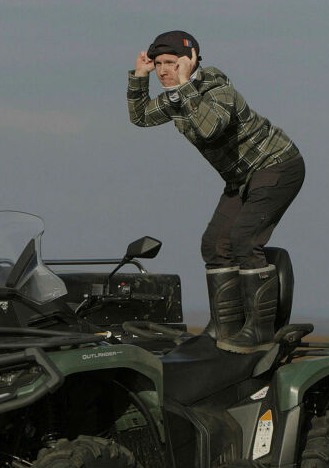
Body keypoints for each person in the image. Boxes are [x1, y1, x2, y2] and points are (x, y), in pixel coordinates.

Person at [127, 30, 304, 353]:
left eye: (171, 62)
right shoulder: (175, 96)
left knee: (244, 239)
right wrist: (139, 79)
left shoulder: (218, 88)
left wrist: (184, 87)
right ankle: (225, 326)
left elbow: (210, 126)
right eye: (158, 64)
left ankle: (259, 330)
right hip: (242, 177)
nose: (164, 70)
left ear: (191, 60)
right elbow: (140, 117)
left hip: (277, 165)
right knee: (215, 243)